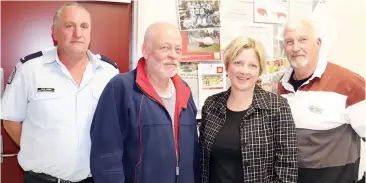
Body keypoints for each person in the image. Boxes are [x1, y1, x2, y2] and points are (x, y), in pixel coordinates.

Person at [1, 3, 119, 183]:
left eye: (84, 26)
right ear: (54, 32)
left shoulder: (109, 73)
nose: (77, 33)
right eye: (69, 26)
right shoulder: (30, 69)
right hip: (42, 180)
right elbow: (10, 120)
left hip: (93, 179)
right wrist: (38, 149)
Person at [90, 22, 200, 183]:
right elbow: (106, 154)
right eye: (165, 48)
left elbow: (193, 154)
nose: (173, 55)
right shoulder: (121, 88)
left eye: (178, 49)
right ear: (145, 51)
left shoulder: (185, 91)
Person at [278, 16, 366, 183]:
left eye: (302, 40)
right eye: (289, 42)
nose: (295, 48)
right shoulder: (282, 86)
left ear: (317, 44)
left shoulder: (349, 84)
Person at [199, 36, 298, 183]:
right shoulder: (211, 105)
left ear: (259, 71)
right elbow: (203, 162)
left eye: (252, 65)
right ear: (227, 66)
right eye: (238, 63)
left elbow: (288, 169)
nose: (244, 71)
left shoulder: (277, 107)